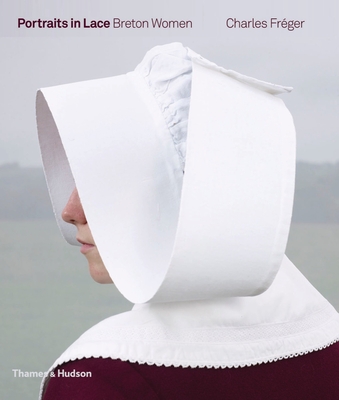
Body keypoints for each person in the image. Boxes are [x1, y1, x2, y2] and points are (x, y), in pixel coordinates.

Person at [36, 43, 339, 399]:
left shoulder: (98, 377)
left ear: (189, 195)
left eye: (102, 183)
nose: (69, 212)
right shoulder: (323, 337)